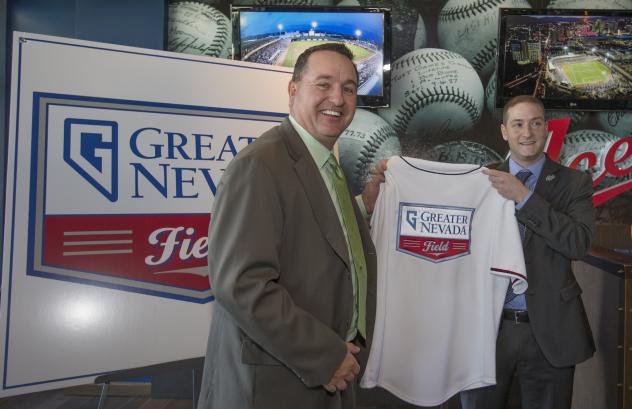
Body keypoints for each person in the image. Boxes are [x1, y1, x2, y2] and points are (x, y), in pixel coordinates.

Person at [196, 43, 378, 409]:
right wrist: (325, 355)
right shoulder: (260, 164)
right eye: (323, 84)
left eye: (348, 88)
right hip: (277, 381)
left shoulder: (324, 163)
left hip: (325, 372)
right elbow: (242, 284)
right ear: (293, 90)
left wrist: (363, 206)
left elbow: (311, 235)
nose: (337, 99)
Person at [460, 95, 595, 409]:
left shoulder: (575, 183)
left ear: (546, 129)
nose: (527, 133)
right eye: (518, 124)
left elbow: (578, 243)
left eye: (535, 123)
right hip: (487, 330)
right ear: (504, 131)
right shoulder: (478, 181)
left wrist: (523, 196)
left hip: (549, 331)